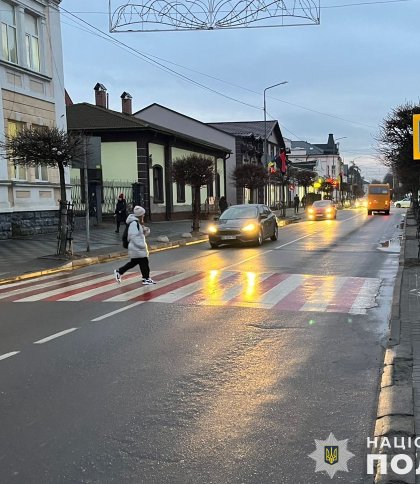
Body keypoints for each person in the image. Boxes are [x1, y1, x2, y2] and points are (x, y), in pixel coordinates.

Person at [114, 206, 156, 285]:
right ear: (140, 215)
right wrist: (142, 246)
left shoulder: (137, 223)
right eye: (143, 215)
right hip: (137, 248)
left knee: (133, 263)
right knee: (144, 262)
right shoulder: (134, 223)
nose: (144, 216)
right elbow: (133, 236)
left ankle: (119, 272)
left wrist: (146, 230)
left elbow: (140, 234)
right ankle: (146, 278)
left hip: (136, 248)